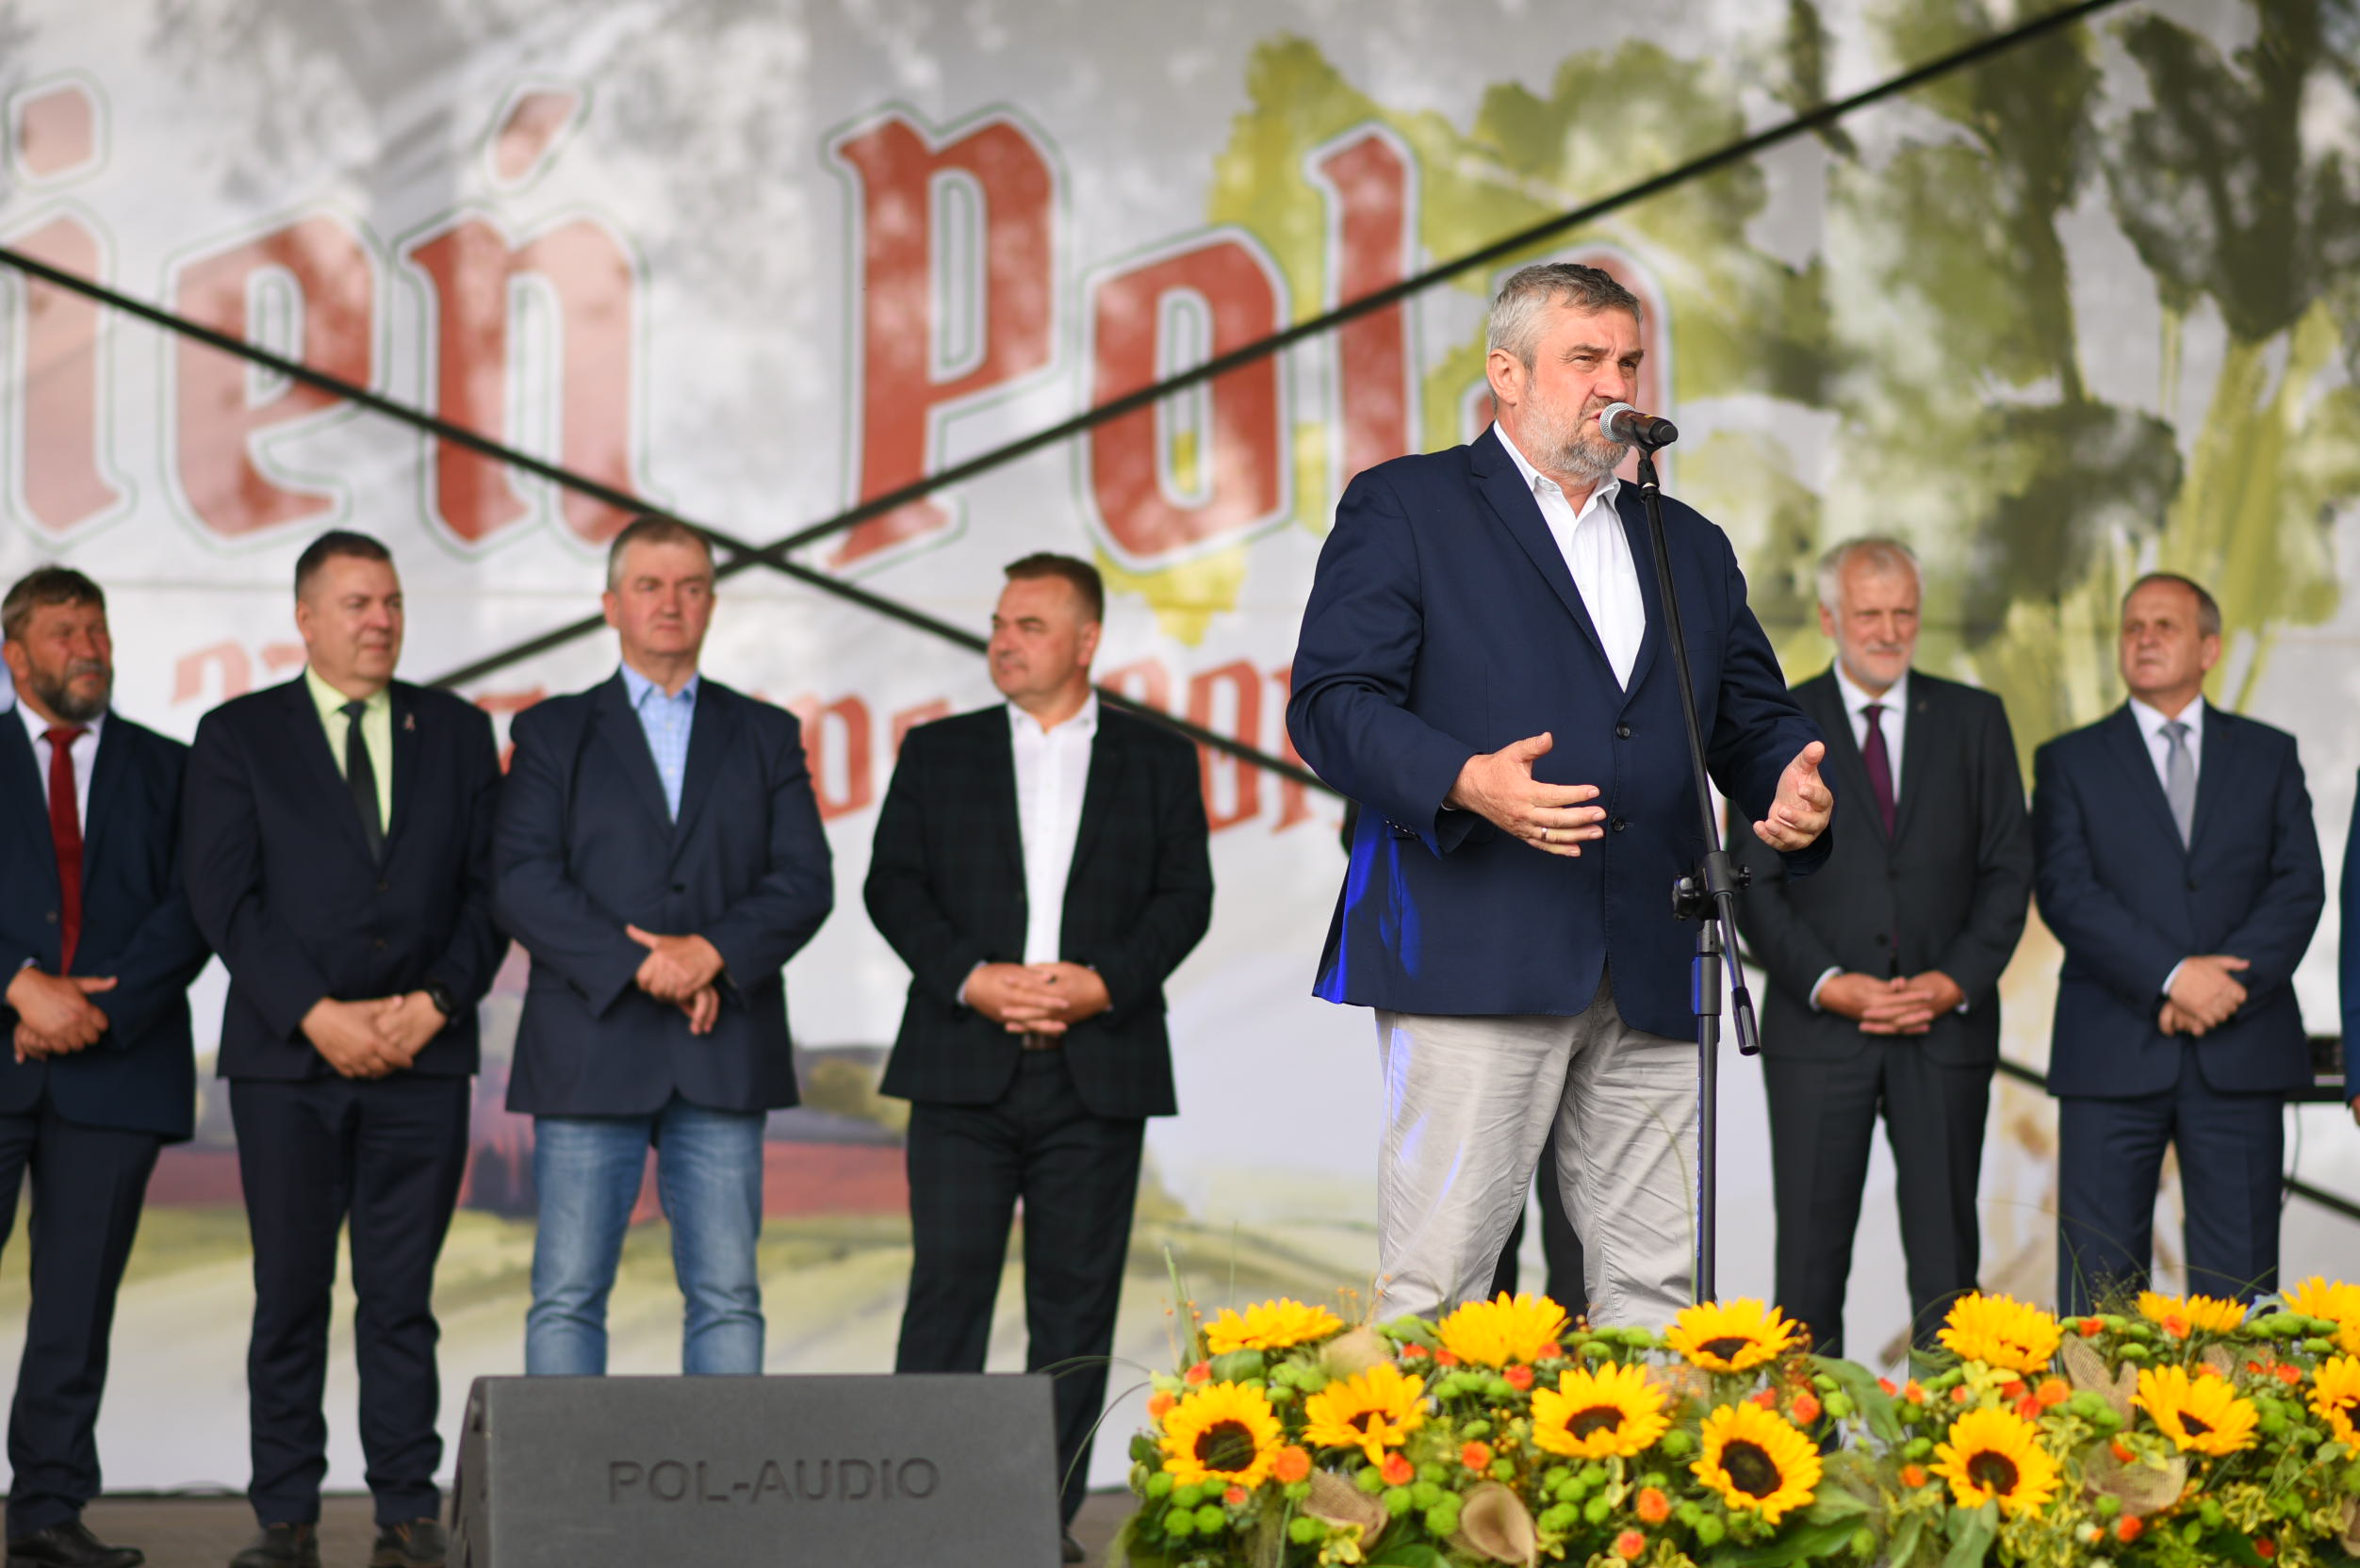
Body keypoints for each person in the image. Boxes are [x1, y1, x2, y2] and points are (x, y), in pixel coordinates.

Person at [1286, 261, 1832, 1329]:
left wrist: (1788, 784)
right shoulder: (1407, 505)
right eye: (1586, 358)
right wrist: (1462, 778)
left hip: (1651, 954)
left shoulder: (1686, 541)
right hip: (1476, 946)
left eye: (1628, 360)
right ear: (1507, 373)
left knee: (1657, 1296)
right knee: (1440, 1290)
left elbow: (1750, 719)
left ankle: (1634, 1449)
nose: (1614, 383)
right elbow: (1331, 703)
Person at [867, 553, 1212, 1563]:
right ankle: (919, 1521)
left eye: (1028, 625)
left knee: (1074, 1314)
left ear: (1086, 640)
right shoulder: (939, 751)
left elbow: (1184, 898)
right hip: (959, 1059)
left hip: (1097, 1066)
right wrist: (970, 976)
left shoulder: (1156, 757)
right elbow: (893, 886)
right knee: (947, 1294)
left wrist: (1105, 982)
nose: (1003, 642)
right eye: (998, 623)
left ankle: (1034, 1522)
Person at [183, 531, 504, 1568]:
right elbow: (222, 895)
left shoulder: (457, 730)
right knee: (290, 1294)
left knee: (401, 1299)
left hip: (425, 1061)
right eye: (358, 603)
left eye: (393, 602)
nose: (381, 620)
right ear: (306, 618)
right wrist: (316, 1013)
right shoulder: (237, 735)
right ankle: (285, 1511)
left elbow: (491, 890)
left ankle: (407, 1505)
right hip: (288, 1065)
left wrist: (436, 1003)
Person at [495, 514, 833, 1377]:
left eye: (689, 586)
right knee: (568, 1295)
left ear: (712, 604)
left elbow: (805, 879)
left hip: (721, 1049)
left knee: (727, 1297)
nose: (670, 603)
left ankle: (726, 1480)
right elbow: (522, 879)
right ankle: (563, 1478)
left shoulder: (765, 733)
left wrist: (711, 952)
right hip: (588, 1045)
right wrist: (645, 963)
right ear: (611, 604)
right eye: (648, 585)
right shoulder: (551, 732)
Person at [1729, 538, 2032, 1356]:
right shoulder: (1774, 727)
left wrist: (1953, 981)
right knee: (1807, 1275)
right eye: (1870, 613)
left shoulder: (1976, 719)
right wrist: (1829, 982)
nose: (1889, 630)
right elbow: (1753, 881)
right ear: (1830, 618)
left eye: (1904, 613)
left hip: (1945, 1031)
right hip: (1819, 1034)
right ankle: (1807, 1436)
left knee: (1949, 1272)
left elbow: (2010, 869)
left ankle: (1954, 1433)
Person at [2034, 572, 2323, 1312]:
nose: (2145, 638)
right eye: (2133, 626)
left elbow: (2299, 887)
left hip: (2240, 1050)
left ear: (2210, 649)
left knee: (2240, 1303)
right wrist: (2172, 977)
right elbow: (2066, 891)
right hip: (2110, 1055)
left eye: (2166, 625)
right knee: (2100, 1302)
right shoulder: (2069, 759)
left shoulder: (2269, 754)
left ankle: (2231, 1402)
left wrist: (2225, 988)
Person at [0, 568, 209, 1568]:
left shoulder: (176, 770)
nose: (88, 646)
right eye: (63, 630)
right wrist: (19, 986)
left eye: (98, 627)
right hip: (4, 1045)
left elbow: (197, 908)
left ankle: (46, 1512)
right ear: (14, 655)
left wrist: (93, 1013)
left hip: (117, 1068)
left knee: (76, 1307)